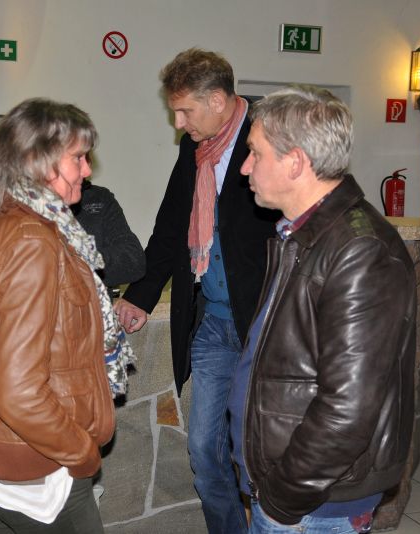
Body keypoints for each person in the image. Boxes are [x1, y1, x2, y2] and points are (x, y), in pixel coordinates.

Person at [0, 98, 133, 533]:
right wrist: (82, 453)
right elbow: (21, 395)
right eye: (78, 157)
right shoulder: (34, 240)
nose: (87, 170)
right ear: (38, 162)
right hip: (40, 466)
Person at [227, 84, 416, 533]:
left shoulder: (359, 249)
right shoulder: (302, 235)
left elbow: (349, 408)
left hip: (313, 505)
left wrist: (282, 499)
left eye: (255, 152)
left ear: (295, 162)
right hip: (295, 494)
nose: (245, 166)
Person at [114, 48, 278, 533]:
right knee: (205, 449)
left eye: (185, 111)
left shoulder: (271, 136)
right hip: (212, 322)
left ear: (218, 101)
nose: (178, 123)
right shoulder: (195, 149)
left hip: (263, 324)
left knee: (258, 454)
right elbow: (171, 225)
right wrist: (141, 294)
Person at [72, 177, 146, 288]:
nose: (87, 171)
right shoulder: (43, 206)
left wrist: (76, 263)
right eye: (77, 161)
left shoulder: (98, 197)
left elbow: (133, 259)